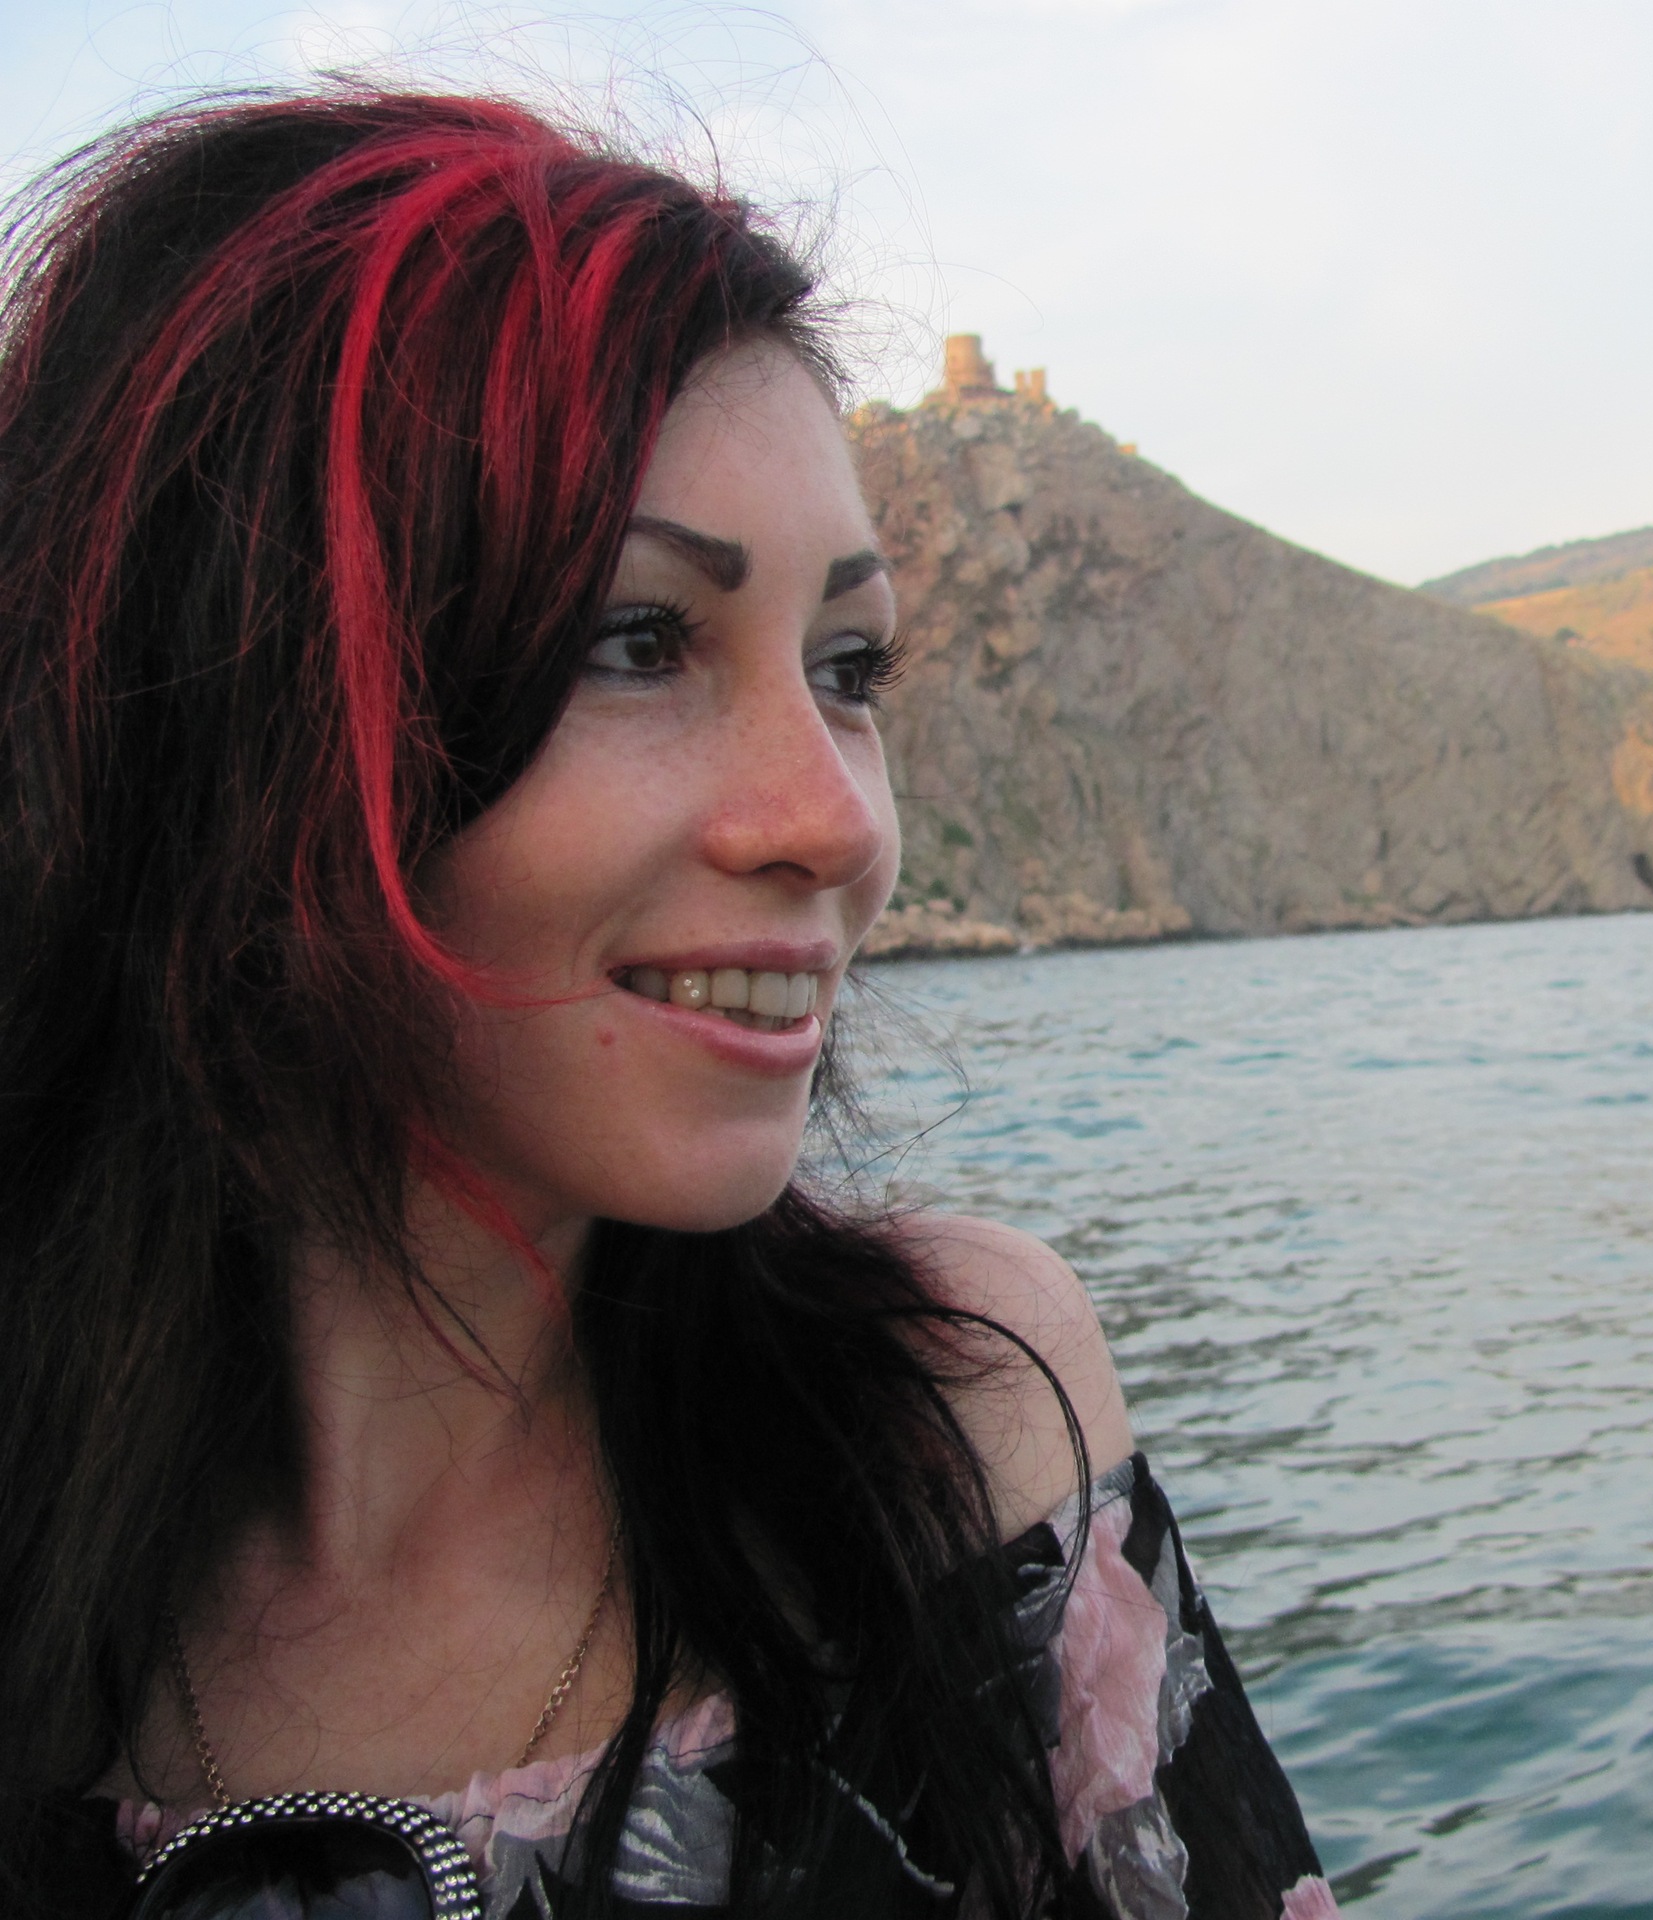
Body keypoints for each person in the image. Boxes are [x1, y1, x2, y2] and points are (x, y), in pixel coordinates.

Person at [0, 88, 1338, 1920]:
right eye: (637, 641)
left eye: (850, 666)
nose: (837, 823)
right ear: (235, 704)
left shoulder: (952, 1431)